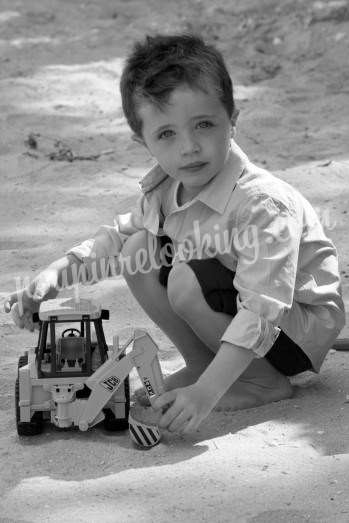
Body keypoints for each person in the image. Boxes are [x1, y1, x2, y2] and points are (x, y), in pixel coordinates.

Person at [4, 34, 345, 435]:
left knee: (185, 278)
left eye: (204, 124)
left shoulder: (263, 205)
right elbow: (118, 238)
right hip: (242, 308)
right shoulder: (168, 188)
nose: (189, 147)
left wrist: (206, 395)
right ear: (143, 142)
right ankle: (203, 364)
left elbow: (262, 308)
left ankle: (258, 381)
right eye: (166, 134)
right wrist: (57, 274)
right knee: (139, 247)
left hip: (292, 329)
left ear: (233, 119)